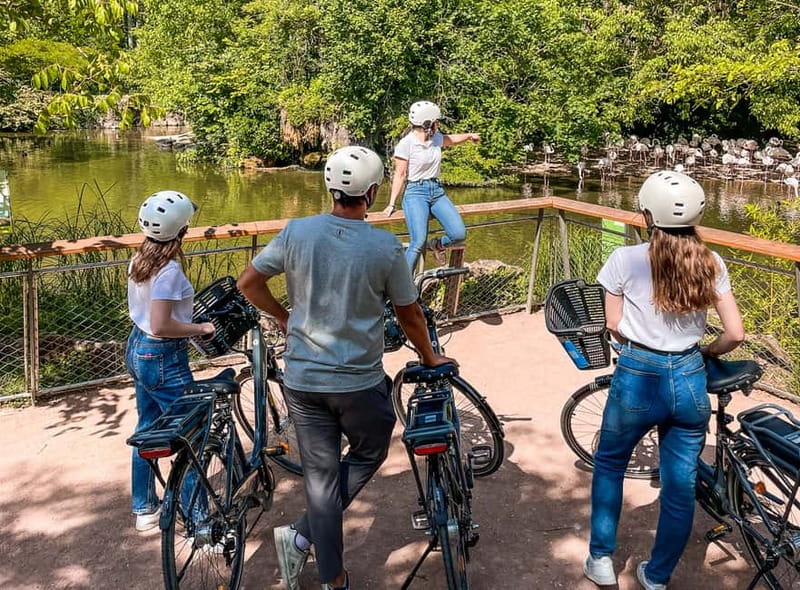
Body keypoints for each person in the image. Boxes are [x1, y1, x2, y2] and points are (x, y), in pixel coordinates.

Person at [237, 145, 455, 590]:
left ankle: (332, 578)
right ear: (372, 192)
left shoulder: (296, 231)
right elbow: (409, 313)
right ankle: (300, 534)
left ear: (330, 187)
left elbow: (248, 283)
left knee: (320, 478)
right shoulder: (384, 246)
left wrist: (283, 316)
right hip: (357, 381)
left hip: (301, 379)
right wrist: (431, 356)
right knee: (370, 449)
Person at [583, 170, 745, 589]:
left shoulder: (625, 259)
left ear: (647, 214)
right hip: (689, 376)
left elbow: (614, 324)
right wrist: (707, 352)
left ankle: (601, 560)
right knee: (680, 483)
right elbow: (735, 334)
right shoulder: (712, 261)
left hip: (638, 372)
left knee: (611, 463)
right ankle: (656, 576)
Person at [125, 190, 215, 531]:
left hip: (138, 347)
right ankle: (199, 521)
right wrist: (199, 327)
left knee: (147, 428)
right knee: (193, 434)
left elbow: (149, 319)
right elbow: (163, 324)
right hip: (162, 355)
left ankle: (145, 507)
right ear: (181, 231)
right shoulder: (169, 270)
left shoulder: (140, 259)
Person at [383, 100, 480, 271]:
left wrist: (469, 136)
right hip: (415, 193)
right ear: (427, 123)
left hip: (436, 191)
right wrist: (391, 204)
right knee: (418, 242)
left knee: (458, 234)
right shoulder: (406, 144)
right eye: (436, 121)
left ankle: (436, 245)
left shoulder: (435, 139)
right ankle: (401, 288)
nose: (438, 124)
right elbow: (400, 175)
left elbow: (452, 139)